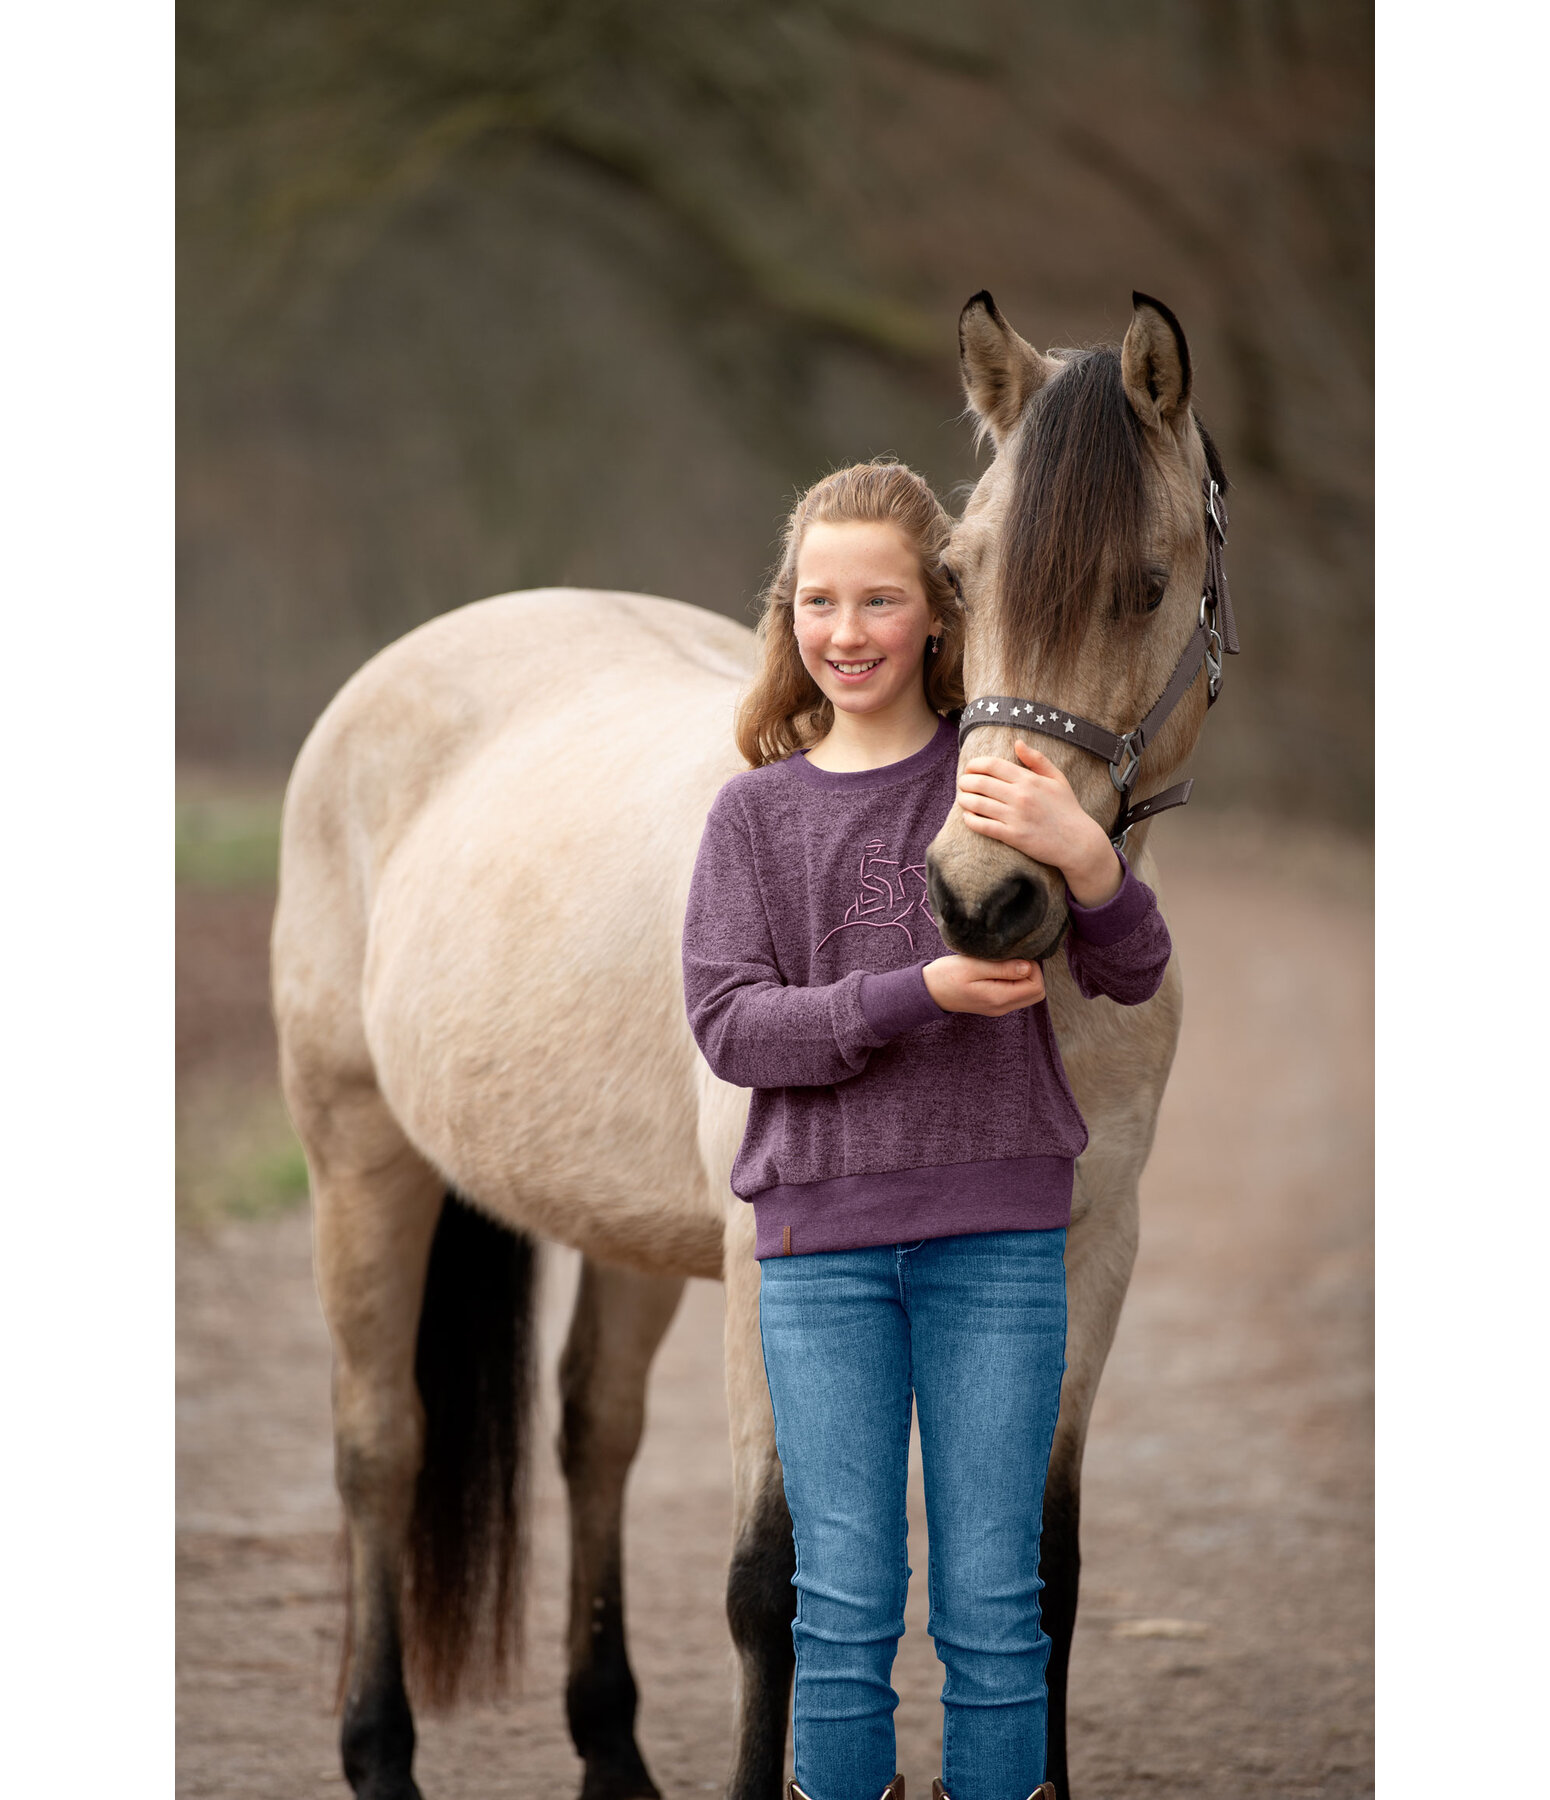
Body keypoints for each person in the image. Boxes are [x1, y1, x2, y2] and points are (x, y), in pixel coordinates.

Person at [680, 461, 1172, 1800]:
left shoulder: (1005, 780)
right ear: (786, 619)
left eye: (880, 601)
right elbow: (731, 1029)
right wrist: (918, 996)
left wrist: (1086, 858)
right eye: (817, 602)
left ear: (941, 618)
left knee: (991, 1606)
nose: (846, 632)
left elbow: (1129, 972)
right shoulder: (753, 815)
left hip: (998, 1252)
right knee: (838, 1606)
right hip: (822, 1255)